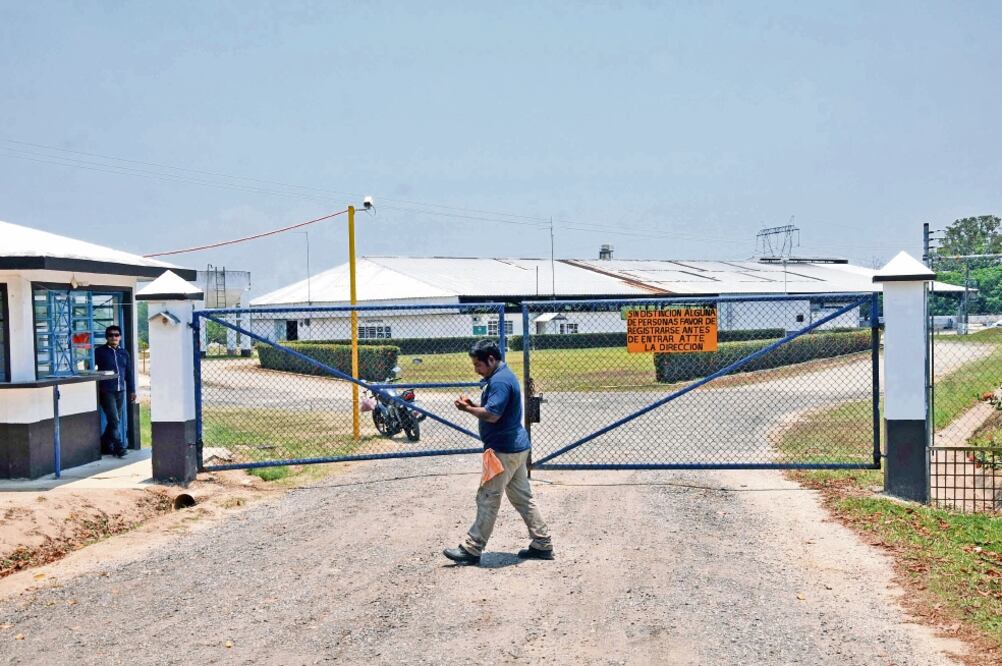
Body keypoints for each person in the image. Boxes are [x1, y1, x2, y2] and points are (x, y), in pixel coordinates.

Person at [443, 339, 553, 566]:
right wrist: (475, 405)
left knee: (487, 498)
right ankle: (542, 543)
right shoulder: (501, 376)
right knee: (523, 498)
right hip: (516, 449)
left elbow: (493, 415)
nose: (476, 369)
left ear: (491, 359)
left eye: (478, 365)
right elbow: (494, 409)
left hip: (503, 451)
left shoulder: (500, 381)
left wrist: (468, 408)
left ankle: (472, 549)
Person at [94, 325, 136, 458]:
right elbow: (89, 367)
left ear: (120, 337)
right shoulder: (99, 352)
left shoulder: (124, 353)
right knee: (114, 419)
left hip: (120, 390)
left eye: (116, 335)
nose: (114, 337)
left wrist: (132, 390)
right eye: (111, 335)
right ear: (107, 337)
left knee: (114, 421)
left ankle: (104, 444)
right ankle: (119, 447)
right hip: (106, 391)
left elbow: (129, 373)